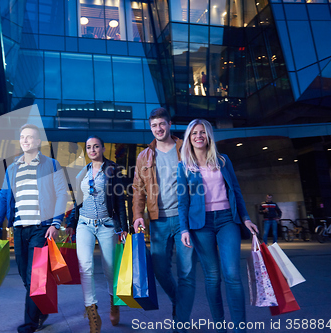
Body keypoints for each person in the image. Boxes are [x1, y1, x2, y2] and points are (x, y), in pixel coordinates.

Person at [177, 119, 258, 333]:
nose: (199, 136)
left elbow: (236, 191)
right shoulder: (184, 166)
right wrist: (184, 229)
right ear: (189, 138)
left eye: (202, 132)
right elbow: (182, 200)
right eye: (194, 133)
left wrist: (246, 217)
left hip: (227, 220)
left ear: (209, 136)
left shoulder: (223, 161)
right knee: (212, 277)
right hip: (200, 225)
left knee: (232, 274)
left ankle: (240, 328)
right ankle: (220, 324)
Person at [0, 124, 68, 333]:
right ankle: (41, 310)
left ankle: (29, 324)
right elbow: (4, 198)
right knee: (26, 276)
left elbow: (61, 193)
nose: (25, 141)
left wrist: (55, 223)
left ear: (38, 141)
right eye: (22, 137)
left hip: (40, 228)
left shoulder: (51, 164)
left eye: (30, 137)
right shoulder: (12, 168)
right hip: (19, 229)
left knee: (35, 276)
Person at [132, 107, 197, 332]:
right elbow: (138, 189)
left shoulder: (186, 149)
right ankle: (180, 304)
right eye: (153, 126)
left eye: (161, 124)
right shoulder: (144, 156)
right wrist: (138, 215)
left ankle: (180, 323)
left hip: (184, 220)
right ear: (150, 128)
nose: (158, 129)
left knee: (186, 272)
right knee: (160, 270)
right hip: (158, 221)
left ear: (169, 124)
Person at [66, 135, 128, 332]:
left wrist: (123, 227)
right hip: (84, 224)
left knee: (110, 269)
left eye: (96, 147)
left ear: (102, 148)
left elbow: (119, 200)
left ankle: (114, 301)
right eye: (88, 147)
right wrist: (70, 223)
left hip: (107, 225)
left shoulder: (112, 170)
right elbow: (78, 203)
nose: (92, 150)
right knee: (85, 267)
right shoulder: (81, 173)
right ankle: (92, 314)